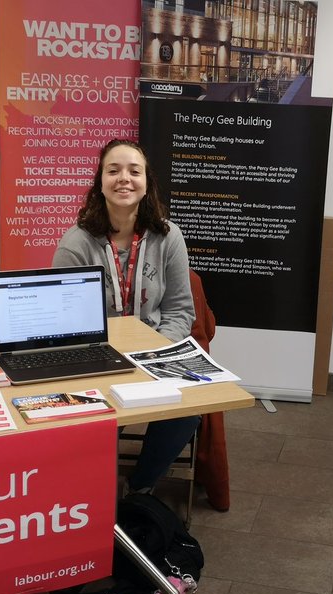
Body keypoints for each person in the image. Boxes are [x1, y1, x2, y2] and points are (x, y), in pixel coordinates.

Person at [52, 139, 199, 493]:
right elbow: (65, 322)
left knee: (187, 411)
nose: (124, 179)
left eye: (134, 171)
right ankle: (94, 491)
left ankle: (139, 487)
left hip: (155, 353)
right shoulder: (76, 244)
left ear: (147, 182)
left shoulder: (168, 236)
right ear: (99, 181)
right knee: (98, 419)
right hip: (98, 357)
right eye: (113, 170)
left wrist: (153, 353)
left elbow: (181, 309)